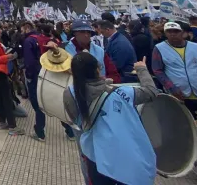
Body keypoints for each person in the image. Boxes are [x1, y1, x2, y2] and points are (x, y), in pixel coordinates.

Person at [64, 52, 157, 185]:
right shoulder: (123, 93)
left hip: (95, 159)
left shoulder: (70, 94)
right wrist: (141, 69)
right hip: (126, 161)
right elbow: (151, 92)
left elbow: (75, 119)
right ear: (97, 69)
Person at [23, 22, 74, 141]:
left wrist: (29, 76)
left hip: (38, 76)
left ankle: (40, 132)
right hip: (55, 74)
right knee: (57, 102)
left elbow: (29, 62)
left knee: (39, 104)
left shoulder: (29, 41)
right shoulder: (55, 41)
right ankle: (70, 132)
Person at [153, 21, 197, 117]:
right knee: (185, 124)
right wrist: (171, 87)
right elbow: (158, 71)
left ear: (182, 32)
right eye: (169, 31)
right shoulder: (159, 48)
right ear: (165, 33)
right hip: (179, 95)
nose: (172, 34)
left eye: (176, 31)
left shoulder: (196, 47)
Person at [0, 22, 24, 136]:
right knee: (6, 99)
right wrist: (9, 56)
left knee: (0, 98)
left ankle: (1, 121)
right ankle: (12, 127)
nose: (1, 30)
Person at [65, 20, 121, 85]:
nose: (86, 35)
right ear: (74, 33)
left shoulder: (99, 51)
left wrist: (106, 79)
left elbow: (115, 75)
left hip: (100, 90)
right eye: (82, 32)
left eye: (88, 32)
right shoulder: (65, 50)